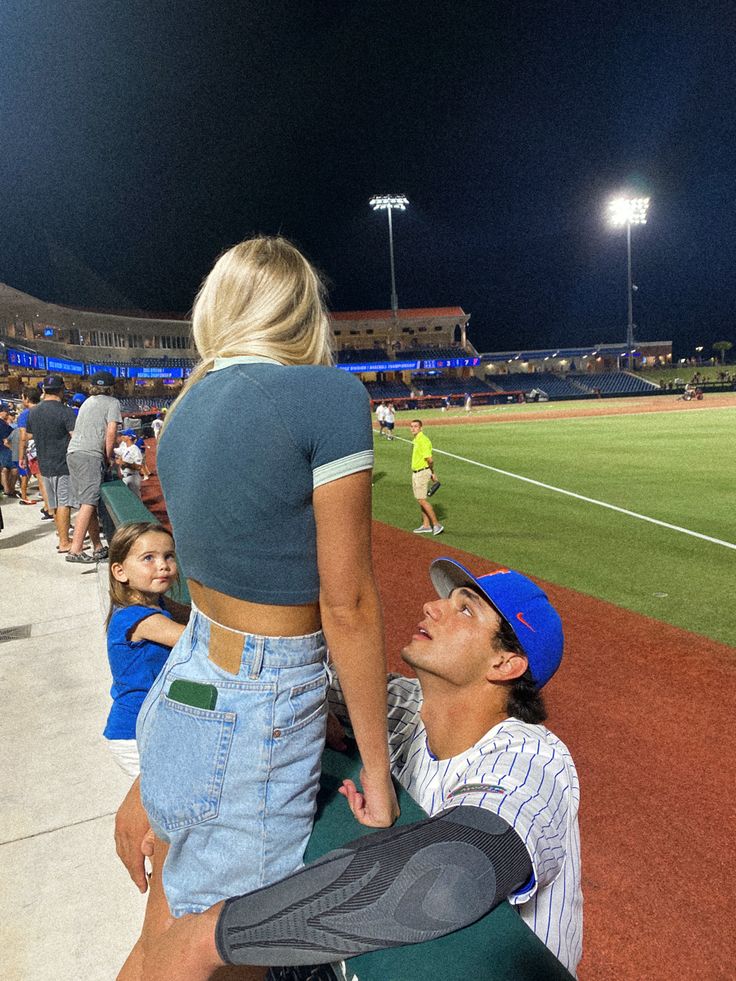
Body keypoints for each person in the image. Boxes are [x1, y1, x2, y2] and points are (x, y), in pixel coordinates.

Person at [117, 237, 398, 979]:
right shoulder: (329, 395)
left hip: (189, 690)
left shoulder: (182, 412)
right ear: (301, 311)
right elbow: (350, 602)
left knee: (159, 947)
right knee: (220, 960)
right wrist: (379, 774)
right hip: (255, 711)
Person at [128, 558, 582, 980]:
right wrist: (149, 783)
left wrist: (211, 937)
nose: (432, 606)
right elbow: (254, 695)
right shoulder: (400, 704)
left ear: (506, 663)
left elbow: (455, 872)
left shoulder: (533, 758)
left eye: (465, 611)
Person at [104, 522, 185, 778]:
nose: (163, 565)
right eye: (148, 558)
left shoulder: (156, 602)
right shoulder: (138, 618)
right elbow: (196, 637)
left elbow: (197, 617)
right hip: (135, 734)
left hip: (152, 725)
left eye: (168, 556)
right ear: (120, 571)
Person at [65, 369, 122, 563]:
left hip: (73, 453)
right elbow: (111, 431)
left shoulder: (87, 402)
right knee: (89, 502)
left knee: (86, 502)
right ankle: (75, 550)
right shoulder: (112, 402)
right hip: (90, 454)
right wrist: (108, 456)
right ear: (110, 387)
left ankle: (97, 546)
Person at [23, 377, 77, 552]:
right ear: (61, 390)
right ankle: (64, 541)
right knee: (64, 503)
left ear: (45, 390)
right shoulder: (65, 411)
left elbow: (28, 436)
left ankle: (61, 534)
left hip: (44, 463)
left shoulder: (34, 412)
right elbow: (75, 437)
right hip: (62, 463)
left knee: (54, 503)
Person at [409, 419, 442, 535]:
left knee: (422, 500)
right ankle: (426, 525)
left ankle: (437, 525)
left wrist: (432, 472)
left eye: (416, 426)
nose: (413, 428)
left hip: (422, 473)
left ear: (421, 428)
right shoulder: (417, 440)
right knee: (421, 499)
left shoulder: (423, 440)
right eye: (412, 426)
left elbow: (430, 459)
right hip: (417, 472)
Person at [15, 388, 43, 506]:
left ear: (27, 399)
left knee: (40, 478)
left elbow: (23, 437)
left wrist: (21, 456)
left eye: (22, 397)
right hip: (51, 447)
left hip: (34, 451)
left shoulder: (25, 414)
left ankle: (49, 509)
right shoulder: (44, 410)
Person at [115, 429, 144, 498]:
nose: (122, 436)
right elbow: (115, 451)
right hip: (125, 478)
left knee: (136, 501)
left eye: (125, 435)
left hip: (133, 478)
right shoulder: (125, 449)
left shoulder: (135, 449)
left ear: (130, 437)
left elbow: (139, 467)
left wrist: (125, 463)